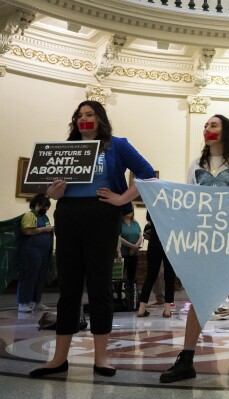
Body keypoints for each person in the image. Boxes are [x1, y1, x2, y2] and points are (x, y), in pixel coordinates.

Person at [29, 100, 155, 378]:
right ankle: (59, 358)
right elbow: (47, 187)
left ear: (100, 118)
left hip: (102, 215)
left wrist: (122, 198)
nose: (84, 119)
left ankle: (101, 358)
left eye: (90, 114)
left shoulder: (117, 144)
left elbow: (147, 173)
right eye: (79, 115)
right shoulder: (65, 149)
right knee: (69, 287)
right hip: (68, 214)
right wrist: (53, 193)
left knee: (100, 286)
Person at [160, 114, 229, 386]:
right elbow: (189, 201)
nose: (207, 129)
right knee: (198, 299)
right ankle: (187, 360)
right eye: (205, 125)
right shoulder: (196, 165)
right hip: (203, 241)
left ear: (225, 131)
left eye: (213, 125)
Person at [17, 193, 53, 313]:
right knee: (29, 276)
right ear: (36, 204)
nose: (45, 208)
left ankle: (36, 301)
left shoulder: (45, 218)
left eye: (46, 206)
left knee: (41, 277)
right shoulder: (29, 215)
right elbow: (28, 231)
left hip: (44, 252)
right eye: (42, 206)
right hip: (31, 251)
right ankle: (23, 303)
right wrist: (46, 229)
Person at [136, 212, 177, 318]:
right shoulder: (172, 206)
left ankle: (141, 309)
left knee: (150, 276)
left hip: (154, 243)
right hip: (170, 244)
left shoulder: (153, 204)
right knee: (169, 276)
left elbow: (149, 221)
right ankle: (167, 310)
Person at [120, 210, 142, 283]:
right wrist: (132, 246)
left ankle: (131, 293)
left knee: (132, 276)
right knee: (120, 276)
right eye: (128, 209)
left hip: (134, 254)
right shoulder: (119, 223)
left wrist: (135, 247)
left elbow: (140, 236)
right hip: (122, 253)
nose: (130, 212)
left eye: (131, 210)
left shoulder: (135, 223)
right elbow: (118, 237)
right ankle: (120, 293)